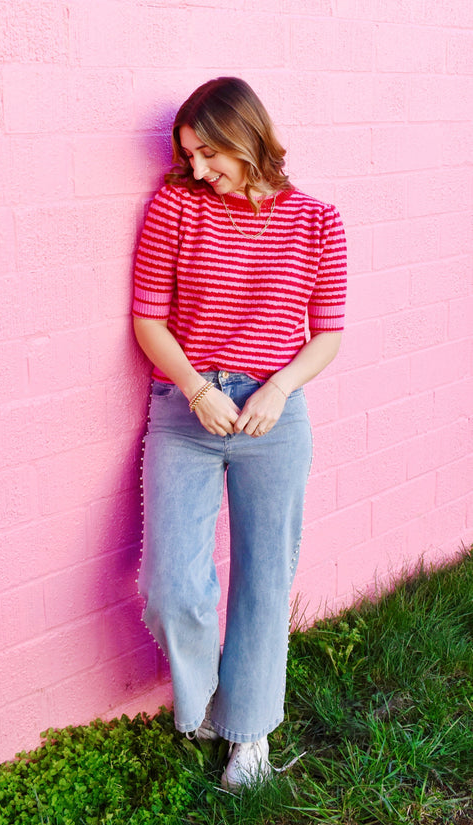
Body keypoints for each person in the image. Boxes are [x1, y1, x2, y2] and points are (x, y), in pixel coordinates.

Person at [132, 77, 347, 790]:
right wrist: (195, 387)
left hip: (273, 419)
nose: (197, 169)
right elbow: (148, 321)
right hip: (183, 410)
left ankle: (248, 733)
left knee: (264, 577)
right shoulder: (174, 206)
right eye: (188, 155)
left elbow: (328, 335)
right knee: (171, 585)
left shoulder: (319, 221)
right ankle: (203, 703)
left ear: (246, 137)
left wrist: (280, 388)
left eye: (207, 154)